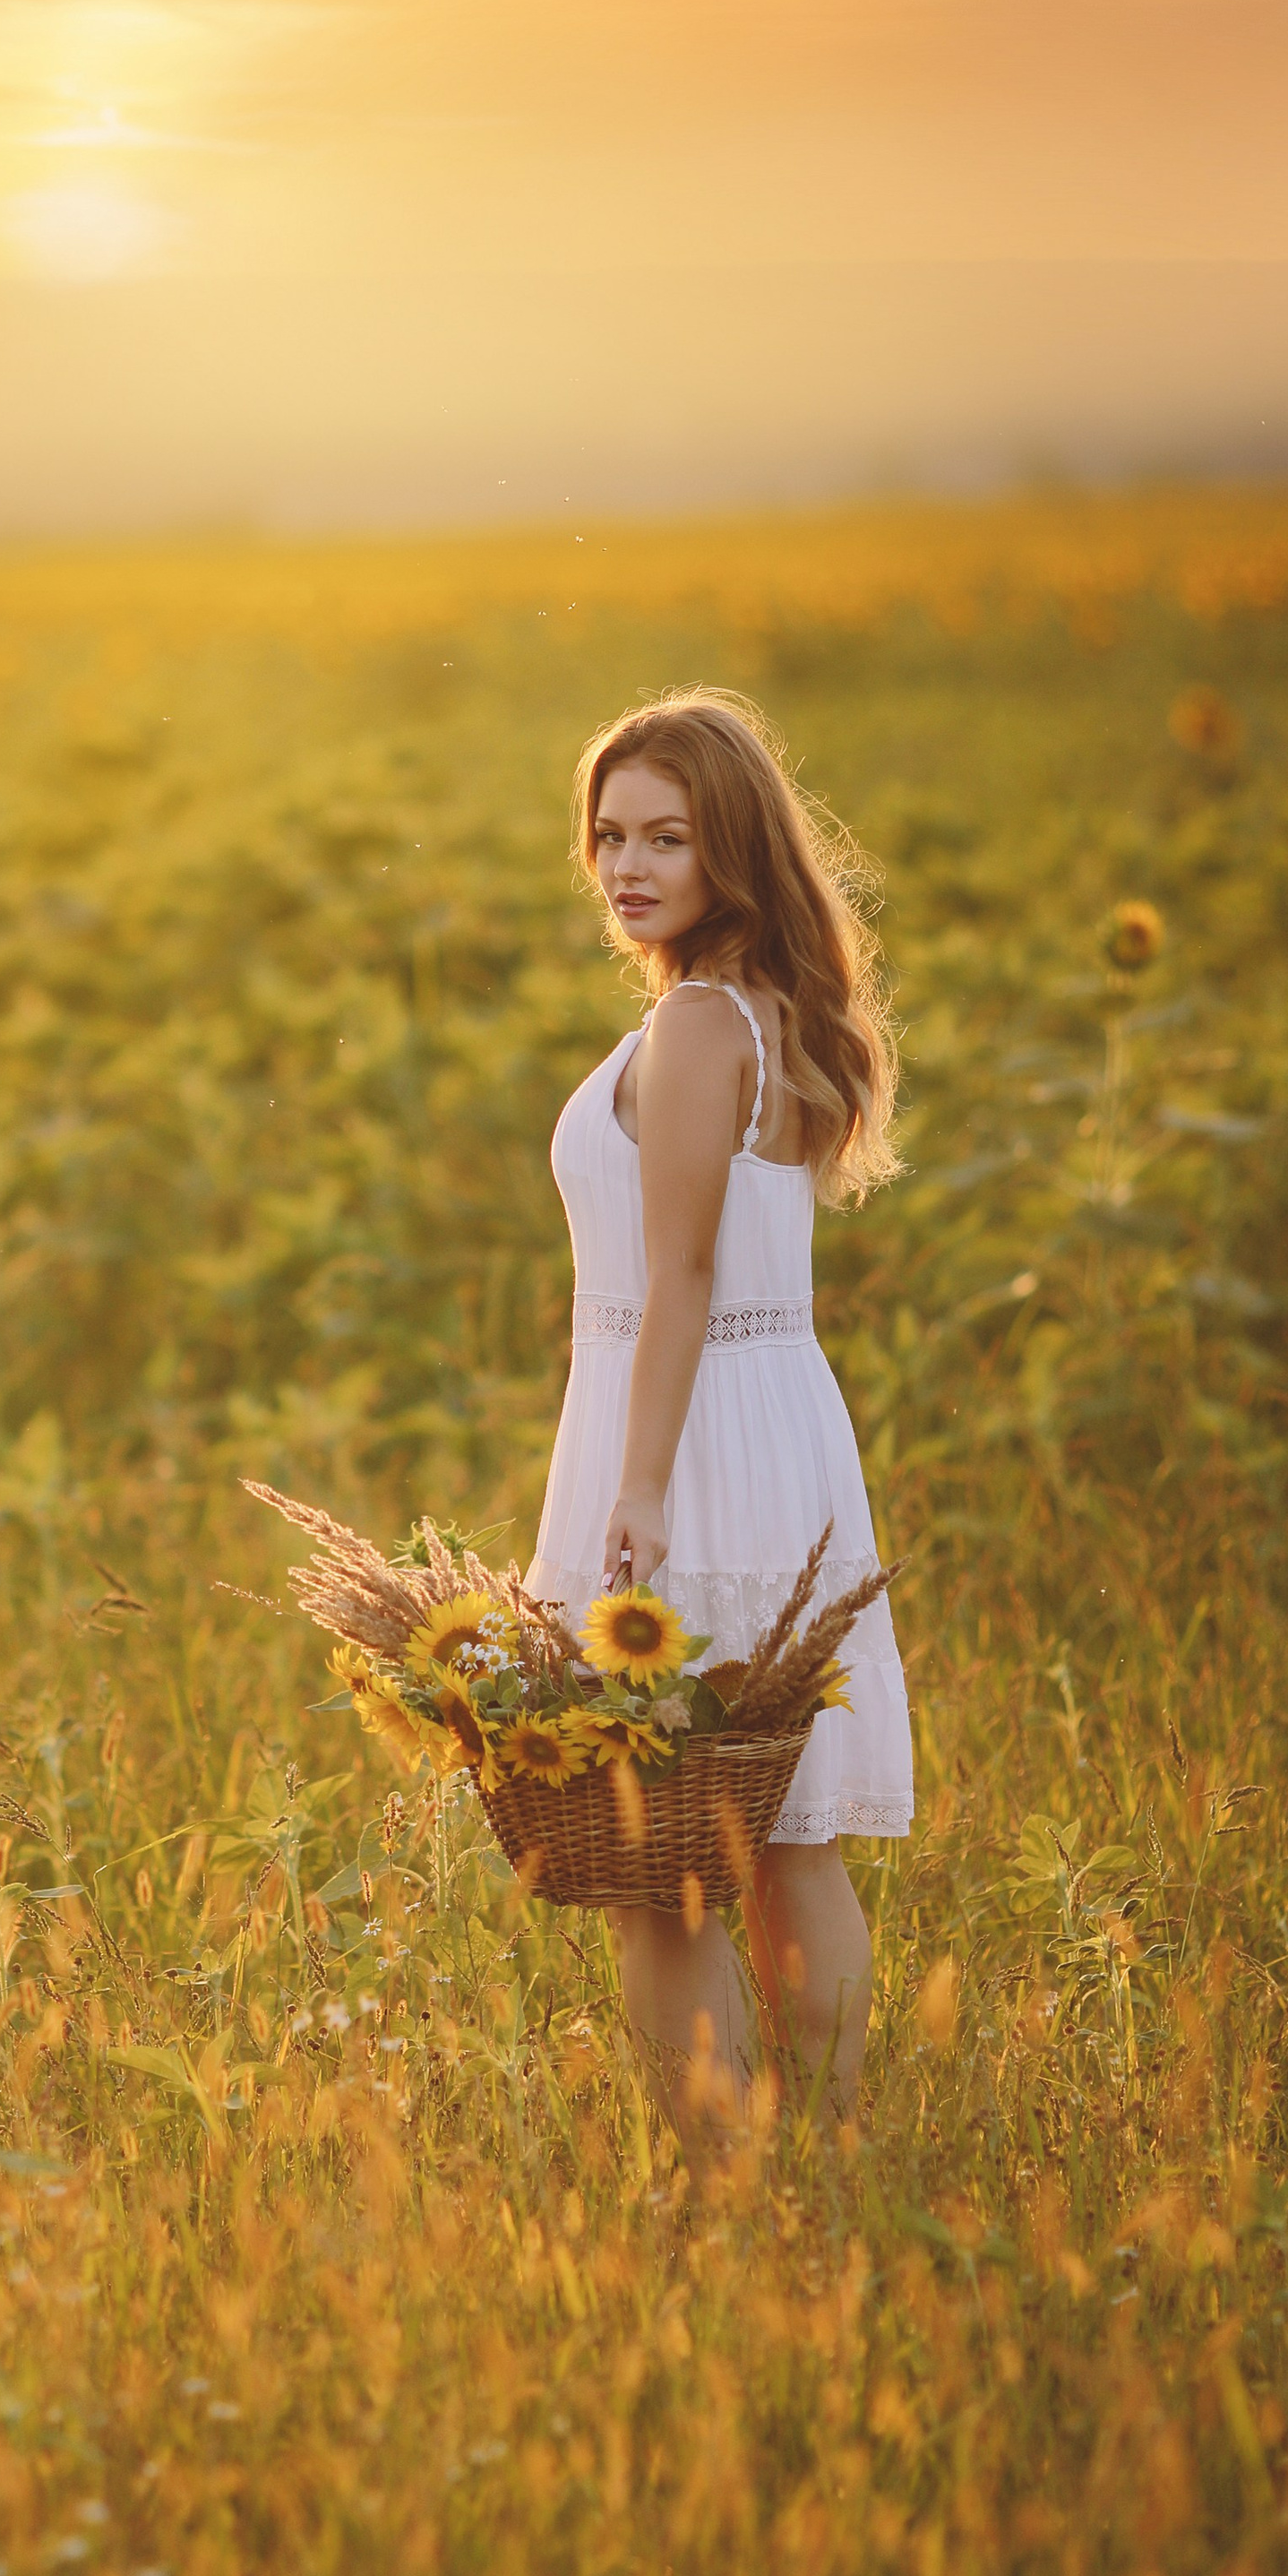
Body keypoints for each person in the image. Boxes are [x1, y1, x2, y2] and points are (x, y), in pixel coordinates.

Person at [525, 688, 913, 2123]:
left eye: (667, 839)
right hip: (773, 1424)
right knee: (783, 1837)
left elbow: (678, 1273)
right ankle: (822, 2156)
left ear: (728, 847)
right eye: (610, 837)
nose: (629, 868)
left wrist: (635, 1490)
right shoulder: (766, 1012)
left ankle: (726, 2189)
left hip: (687, 1442)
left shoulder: (697, 1021)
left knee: (658, 1860)